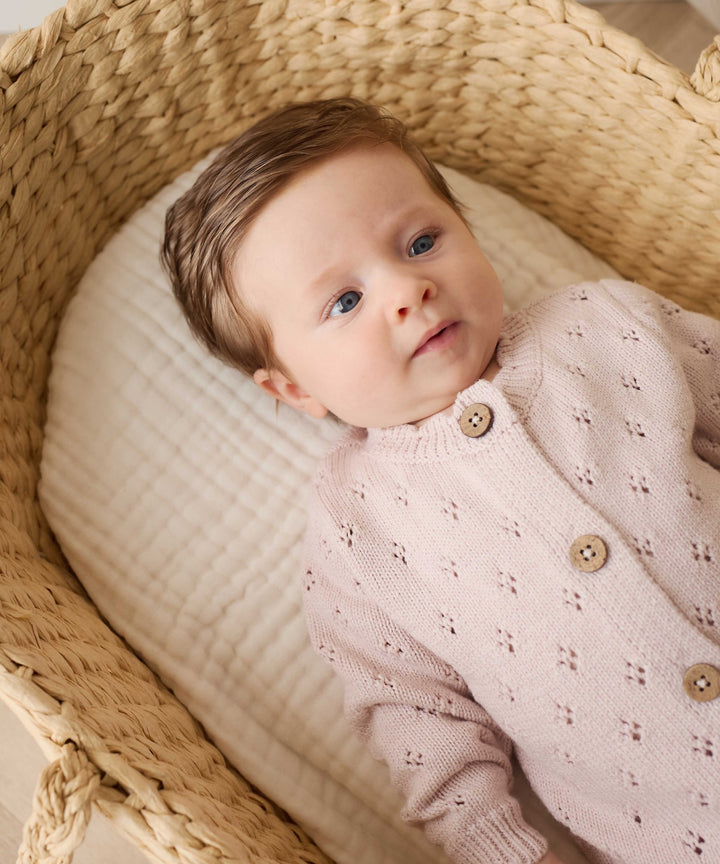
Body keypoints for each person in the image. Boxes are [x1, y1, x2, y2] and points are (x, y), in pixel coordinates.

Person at [162, 98, 720, 864]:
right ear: (293, 387)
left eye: (422, 242)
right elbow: (417, 720)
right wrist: (503, 849)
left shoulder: (605, 325)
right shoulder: (357, 531)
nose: (407, 289)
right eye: (346, 301)